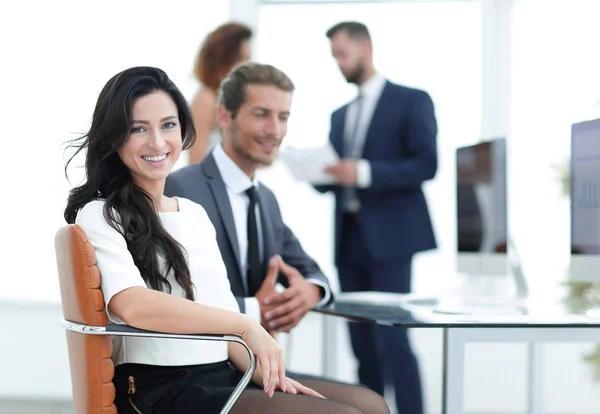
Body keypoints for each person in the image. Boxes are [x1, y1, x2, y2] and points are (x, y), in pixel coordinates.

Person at [63, 66, 389, 414]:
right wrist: (247, 325)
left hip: (223, 372)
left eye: (168, 125)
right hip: (157, 386)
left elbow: (221, 311)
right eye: (138, 129)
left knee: (371, 404)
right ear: (113, 138)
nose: (157, 142)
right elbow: (133, 305)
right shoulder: (100, 213)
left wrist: (265, 368)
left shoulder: (193, 213)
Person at [317, 22, 439, 414]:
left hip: (391, 241)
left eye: (342, 53)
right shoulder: (339, 116)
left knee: (394, 342)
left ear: (364, 47)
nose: (338, 62)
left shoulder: (411, 100)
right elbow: (337, 176)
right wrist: (317, 172)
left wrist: (365, 172)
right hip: (349, 239)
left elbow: (426, 164)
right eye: (334, 55)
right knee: (363, 346)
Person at [165, 62, 333, 335]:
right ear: (224, 116)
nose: (275, 130)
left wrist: (309, 292)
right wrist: (254, 310)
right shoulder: (181, 189)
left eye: (283, 117)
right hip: (203, 365)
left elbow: (311, 270)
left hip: (257, 366)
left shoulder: (266, 201)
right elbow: (173, 296)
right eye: (261, 114)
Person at [189, 22, 252, 164]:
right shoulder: (206, 100)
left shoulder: (228, 99)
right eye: (241, 59)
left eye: (248, 58)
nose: (247, 66)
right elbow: (195, 161)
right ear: (223, 60)